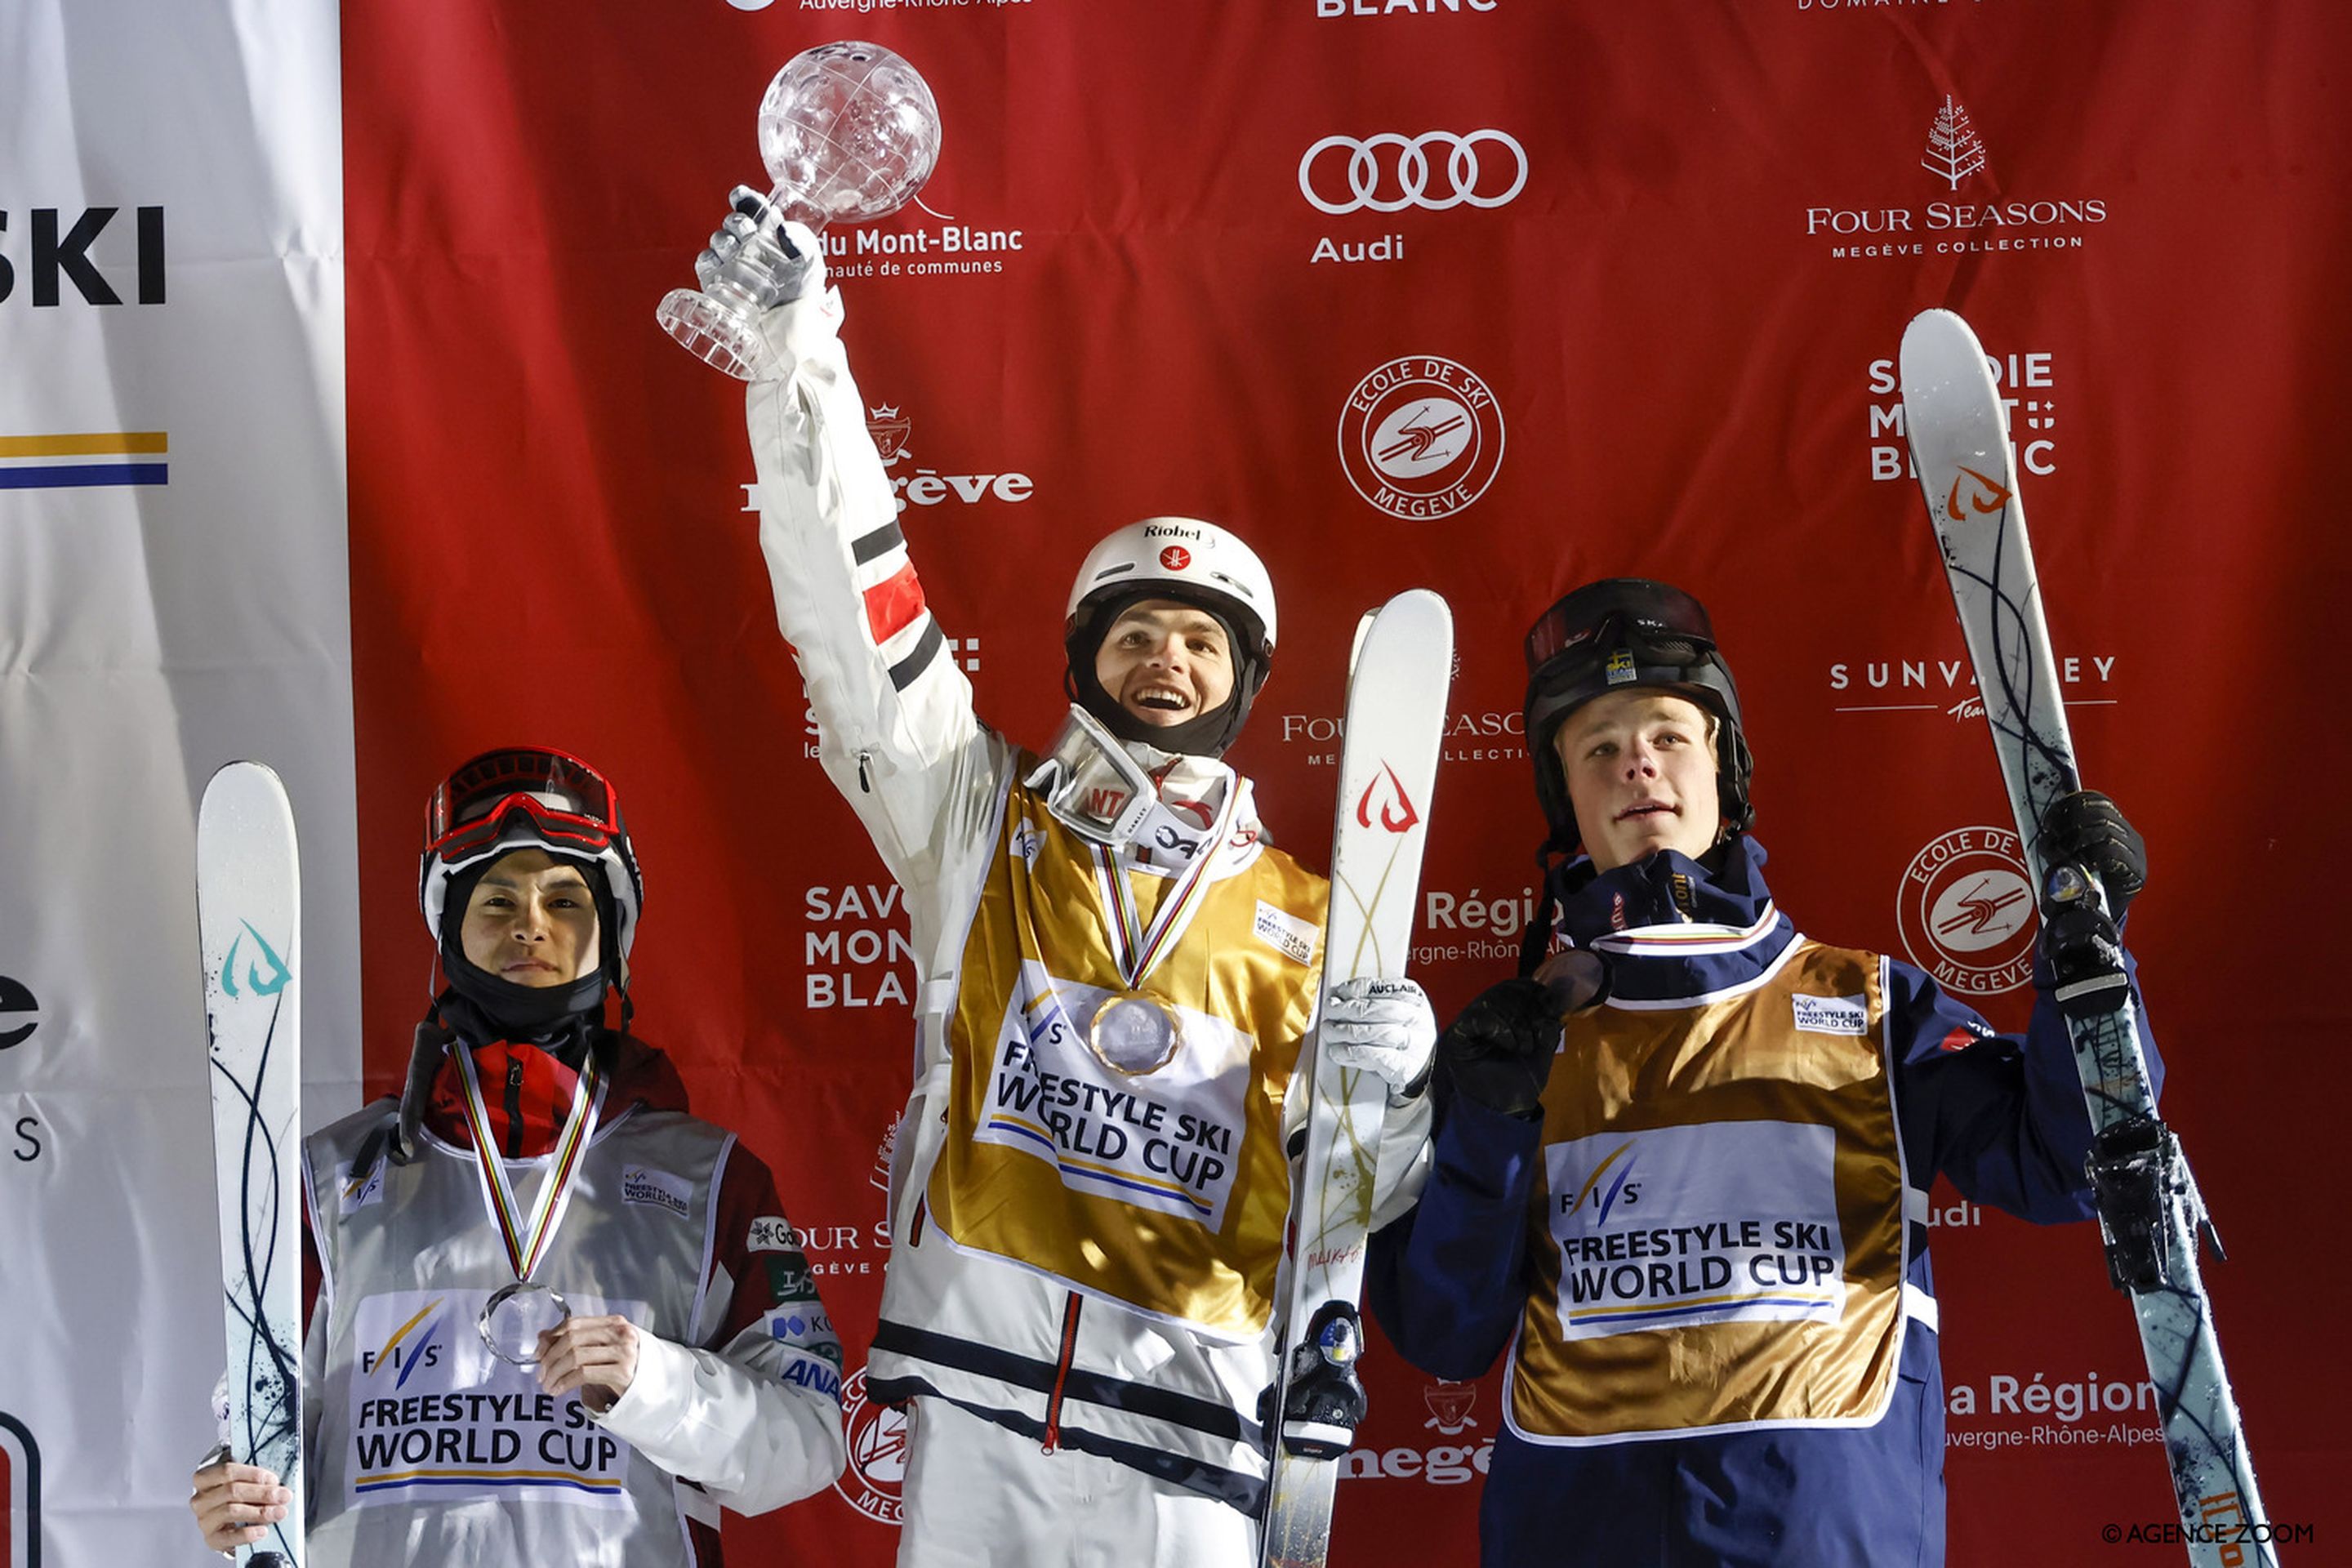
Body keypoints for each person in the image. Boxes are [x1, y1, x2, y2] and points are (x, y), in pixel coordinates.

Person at [710, 198, 1438, 1564]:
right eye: (1139, 631)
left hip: (1194, 1446)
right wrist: (797, 354)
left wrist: (1402, 1097)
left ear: (1243, 686)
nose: (1168, 657)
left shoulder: (1313, 916)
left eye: (1203, 642)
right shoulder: (979, 817)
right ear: (1084, 660)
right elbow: (859, 623)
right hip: (979, 1422)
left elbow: (1363, 1202)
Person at [1367, 578, 2163, 1568]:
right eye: (1599, 748)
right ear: (1565, 796)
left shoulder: (1875, 1005)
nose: (1637, 767)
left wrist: (2085, 971)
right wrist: (1485, 1123)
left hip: (1822, 1536)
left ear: (1725, 767)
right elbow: (1447, 1334)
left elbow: (2062, 1168)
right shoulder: (1511, 1046)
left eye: (1667, 734)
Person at [189, 746, 846, 1566]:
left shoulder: (710, 1182)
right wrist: (243, 1494)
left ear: (612, 935)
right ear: (450, 932)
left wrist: (652, 1383)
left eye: (564, 899)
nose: (530, 924)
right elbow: (269, 1431)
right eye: (496, 900)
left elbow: (813, 1440)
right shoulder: (326, 1179)